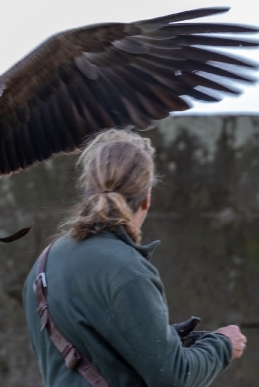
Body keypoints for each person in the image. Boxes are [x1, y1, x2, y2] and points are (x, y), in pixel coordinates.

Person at [22, 129, 246, 387]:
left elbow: (92, 348)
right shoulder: (128, 270)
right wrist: (222, 345)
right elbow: (173, 376)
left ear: (86, 188)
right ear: (147, 198)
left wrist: (163, 338)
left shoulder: (47, 261)